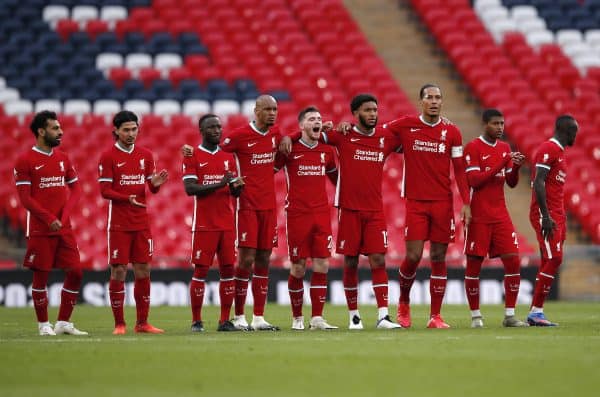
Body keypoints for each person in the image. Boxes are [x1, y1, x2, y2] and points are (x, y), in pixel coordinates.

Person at [182, 95, 289, 331]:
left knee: (264, 260)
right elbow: (214, 151)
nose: (272, 113)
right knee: (246, 260)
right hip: (246, 207)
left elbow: (283, 150)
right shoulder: (238, 136)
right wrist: (191, 150)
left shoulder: (276, 134)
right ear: (256, 111)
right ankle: (238, 316)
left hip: (269, 207)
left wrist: (288, 141)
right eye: (268, 109)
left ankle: (258, 318)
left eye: (275, 109)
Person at [304, 94, 403, 330]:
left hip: (375, 210)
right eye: (367, 110)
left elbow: (408, 142)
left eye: (375, 110)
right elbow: (314, 134)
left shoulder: (385, 138)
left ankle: (383, 316)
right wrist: (321, 127)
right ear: (355, 114)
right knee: (350, 262)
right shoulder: (343, 135)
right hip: (349, 208)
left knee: (378, 259)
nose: (373, 114)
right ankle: (354, 316)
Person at [382, 84, 471, 328]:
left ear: (442, 101)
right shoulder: (406, 124)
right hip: (416, 202)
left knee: (439, 256)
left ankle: (435, 316)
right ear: (421, 101)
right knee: (412, 256)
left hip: (443, 202)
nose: (434, 101)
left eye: (438, 97)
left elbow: (460, 169)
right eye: (429, 97)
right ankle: (403, 303)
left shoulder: (452, 131)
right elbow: (376, 133)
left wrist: (467, 202)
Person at [14, 110, 88, 336]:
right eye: (55, 128)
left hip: (63, 226)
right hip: (39, 227)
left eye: (60, 127)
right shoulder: (25, 160)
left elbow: (76, 190)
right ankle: (43, 324)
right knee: (41, 275)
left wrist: (62, 218)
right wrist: (49, 219)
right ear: (41, 131)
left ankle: (64, 322)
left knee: (76, 272)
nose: (60, 131)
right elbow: (25, 198)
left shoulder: (63, 158)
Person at [98, 110, 169, 335]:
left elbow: (152, 188)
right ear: (116, 131)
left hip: (141, 222)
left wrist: (155, 184)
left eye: (134, 129)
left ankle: (142, 323)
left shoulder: (146, 155)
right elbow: (104, 191)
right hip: (119, 223)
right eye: (126, 130)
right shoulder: (108, 156)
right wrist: (125, 197)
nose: (131, 133)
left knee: (143, 269)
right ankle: (119, 324)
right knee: (118, 270)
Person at [274, 106, 339, 330]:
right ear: (302, 125)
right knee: (299, 266)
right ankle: (297, 318)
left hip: (321, 214)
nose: (317, 121)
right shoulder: (289, 148)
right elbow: (270, 169)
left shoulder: (327, 150)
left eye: (319, 119)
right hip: (297, 214)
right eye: (312, 119)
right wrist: (287, 137)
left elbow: (336, 180)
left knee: (322, 263)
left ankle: (317, 318)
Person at [463, 109, 528, 328]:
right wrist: (502, 163)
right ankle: (475, 316)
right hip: (479, 216)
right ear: (485, 125)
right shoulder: (473, 147)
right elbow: (474, 181)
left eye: (502, 123)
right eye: (495, 123)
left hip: (500, 215)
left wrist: (515, 167)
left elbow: (510, 182)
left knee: (513, 260)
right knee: (474, 266)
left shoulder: (504, 148)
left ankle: (510, 315)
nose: (500, 127)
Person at [182, 114, 245, 332]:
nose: (217, 130)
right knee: (201, 271)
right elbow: (190, 189)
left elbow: (232, 190)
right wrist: (220, 184)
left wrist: (237, 188)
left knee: (228, 270)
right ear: (202, 130)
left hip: (227, 224)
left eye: (219, 126)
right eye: (211, 127)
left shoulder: (228, 157)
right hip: (204, 225)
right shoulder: (192, 155)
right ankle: (196, 321)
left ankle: (224, 321)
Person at [527, 115, 578, 326]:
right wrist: (546, 216)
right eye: (574, 131)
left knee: (549, 260)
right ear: (566, 130)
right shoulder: (548, 149)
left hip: (558, 213)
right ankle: (536, 311)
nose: (576, 135)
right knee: (555, 258)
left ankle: (536, 312)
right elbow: (538, 182)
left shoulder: (560, 153)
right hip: (546, 214)